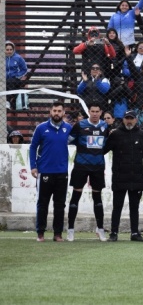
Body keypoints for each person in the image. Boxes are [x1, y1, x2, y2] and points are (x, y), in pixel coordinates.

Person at [66, 102, 109, 242]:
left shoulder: (105, 126)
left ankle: (100, 229)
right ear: (88, 112)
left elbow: (107, 144)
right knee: (75, 197)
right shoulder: (80, 125)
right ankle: (71, 229)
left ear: (101, 112)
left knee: (98, 198)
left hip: (98, 167)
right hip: (81, 166)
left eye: (97, 111)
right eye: (92, 111)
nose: (95, 114)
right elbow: (69, 140)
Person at [30, 101, 72, 242]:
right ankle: (40, 233)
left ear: (63, 113)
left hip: (62, 172)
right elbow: (33, 147)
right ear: (50, 112)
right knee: (43, 203)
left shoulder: (68, 128)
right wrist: (33, 166)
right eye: (54, 110)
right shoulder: (41, 128)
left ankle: (57, 234)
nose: (56, 113)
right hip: (45, 172)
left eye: (59, 111)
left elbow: (78, 141)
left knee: (60, 204)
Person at [103, 110, 143, 242]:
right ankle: (114, 232)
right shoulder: (115, 134)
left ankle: (135, 233)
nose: (129, 121)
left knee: (135, 207)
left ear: (136, 119)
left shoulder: (142, 135)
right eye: (127, 118)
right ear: (123, 119)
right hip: (119, 176)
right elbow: (104, 149)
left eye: (131, 118)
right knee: (117, 206)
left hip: (136, 177)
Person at [5, 40, 28, 110]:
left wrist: (17, 75)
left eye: (11, 49)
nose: (9, 51)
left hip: (15, 79)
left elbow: (24, 69)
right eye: (7, 50)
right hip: (3, 79)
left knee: (10, 82)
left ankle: (8, 101)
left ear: (13, 49)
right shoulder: (1, 58)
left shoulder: (18, 58)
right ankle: (10, 102)